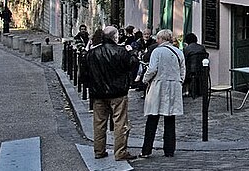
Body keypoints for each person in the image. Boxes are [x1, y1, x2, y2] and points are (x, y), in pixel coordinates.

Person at [82, 25, 140, 161]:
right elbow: (133, 65)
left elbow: (84, 74)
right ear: (114, 37)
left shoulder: (92, 53)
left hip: (98, 93)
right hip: (118, 92)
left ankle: (99, 150)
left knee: (99, 123)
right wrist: (132, 53)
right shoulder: (120, 51)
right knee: (120, 123)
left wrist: (90, 86)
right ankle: (120, 152)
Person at [140, 29, 185, 158]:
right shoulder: (178, 52)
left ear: (161, 39)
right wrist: (179, 81)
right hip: (174, 86)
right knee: (170, 119)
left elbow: (152, 69)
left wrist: (145, 79)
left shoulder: (157, 51)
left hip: (159, 86)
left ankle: (146, 150)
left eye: (158, 38)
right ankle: (169, 150)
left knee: (152, 119)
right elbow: (183, 71)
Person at [181, 33, 207, 98]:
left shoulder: (187, 49)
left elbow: (184, 60)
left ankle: (185, 91)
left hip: (190, 70)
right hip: (202, 69)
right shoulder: (202, 47)